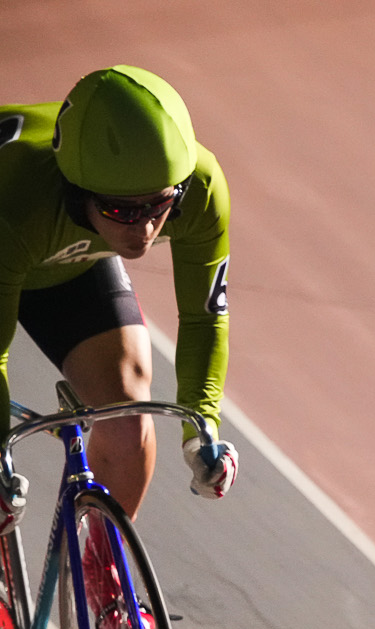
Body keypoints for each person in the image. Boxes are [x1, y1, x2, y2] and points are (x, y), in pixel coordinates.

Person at [1, 65, 239, 532]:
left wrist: (201, 427)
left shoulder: (201, 190)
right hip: (12, 235)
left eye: (159, 206)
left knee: (128, 415)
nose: (145, 229)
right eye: (121, 210)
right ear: (76, 193)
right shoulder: (18, 200)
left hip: (65, 262)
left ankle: (105, 583)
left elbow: (204, 319)